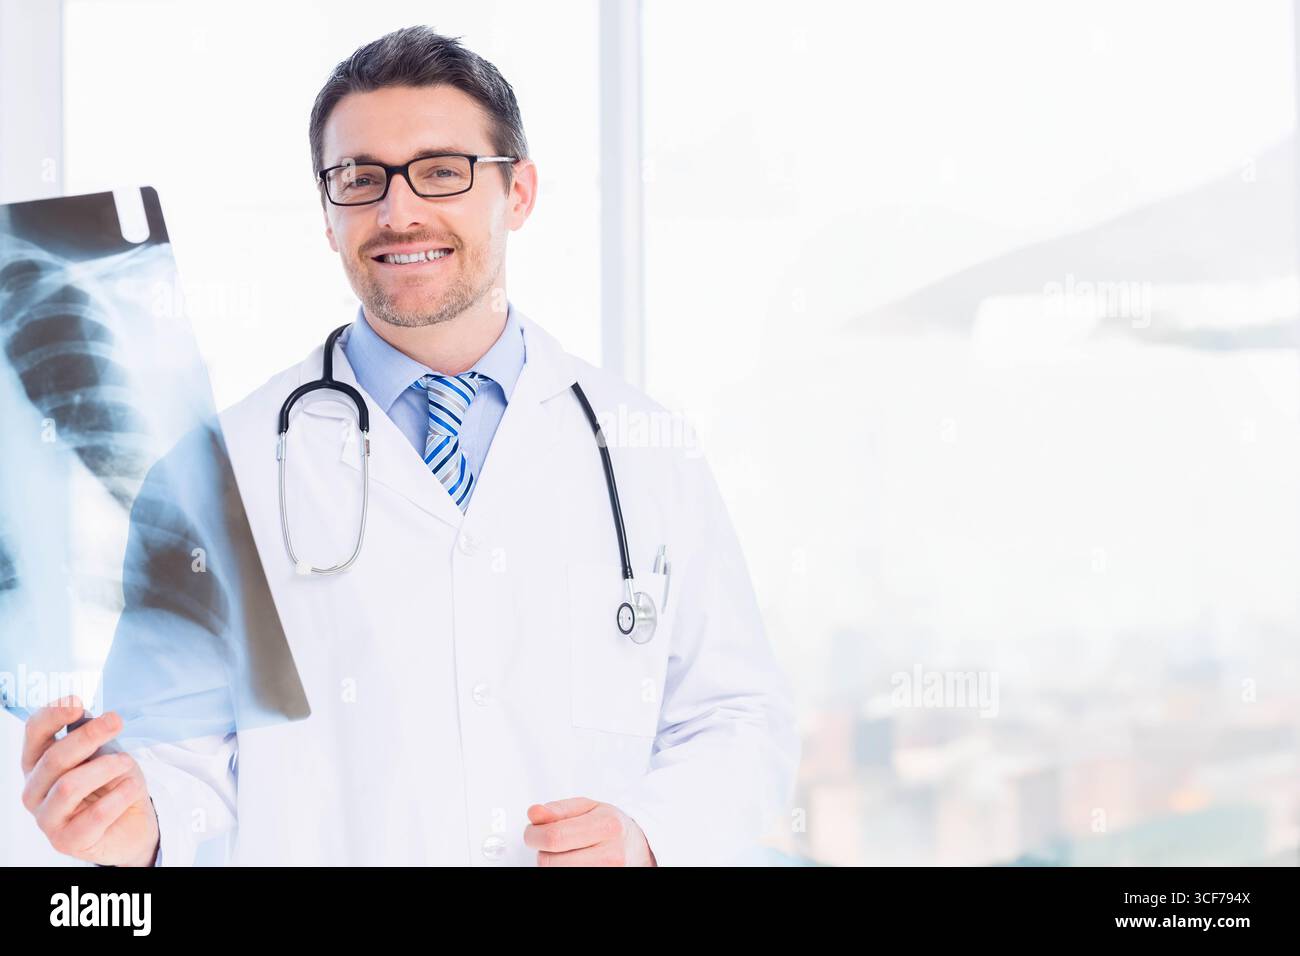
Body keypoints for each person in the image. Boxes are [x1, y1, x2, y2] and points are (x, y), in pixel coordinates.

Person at [19, 25, 799, 866]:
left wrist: (649, 836)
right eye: (359, 180)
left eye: (441, 172)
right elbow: (178, 761)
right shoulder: (214, 476)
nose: (399, 212)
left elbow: (737, 719)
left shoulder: (646, 450)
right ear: (327, 214)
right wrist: (139, 823)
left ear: (520, 192)